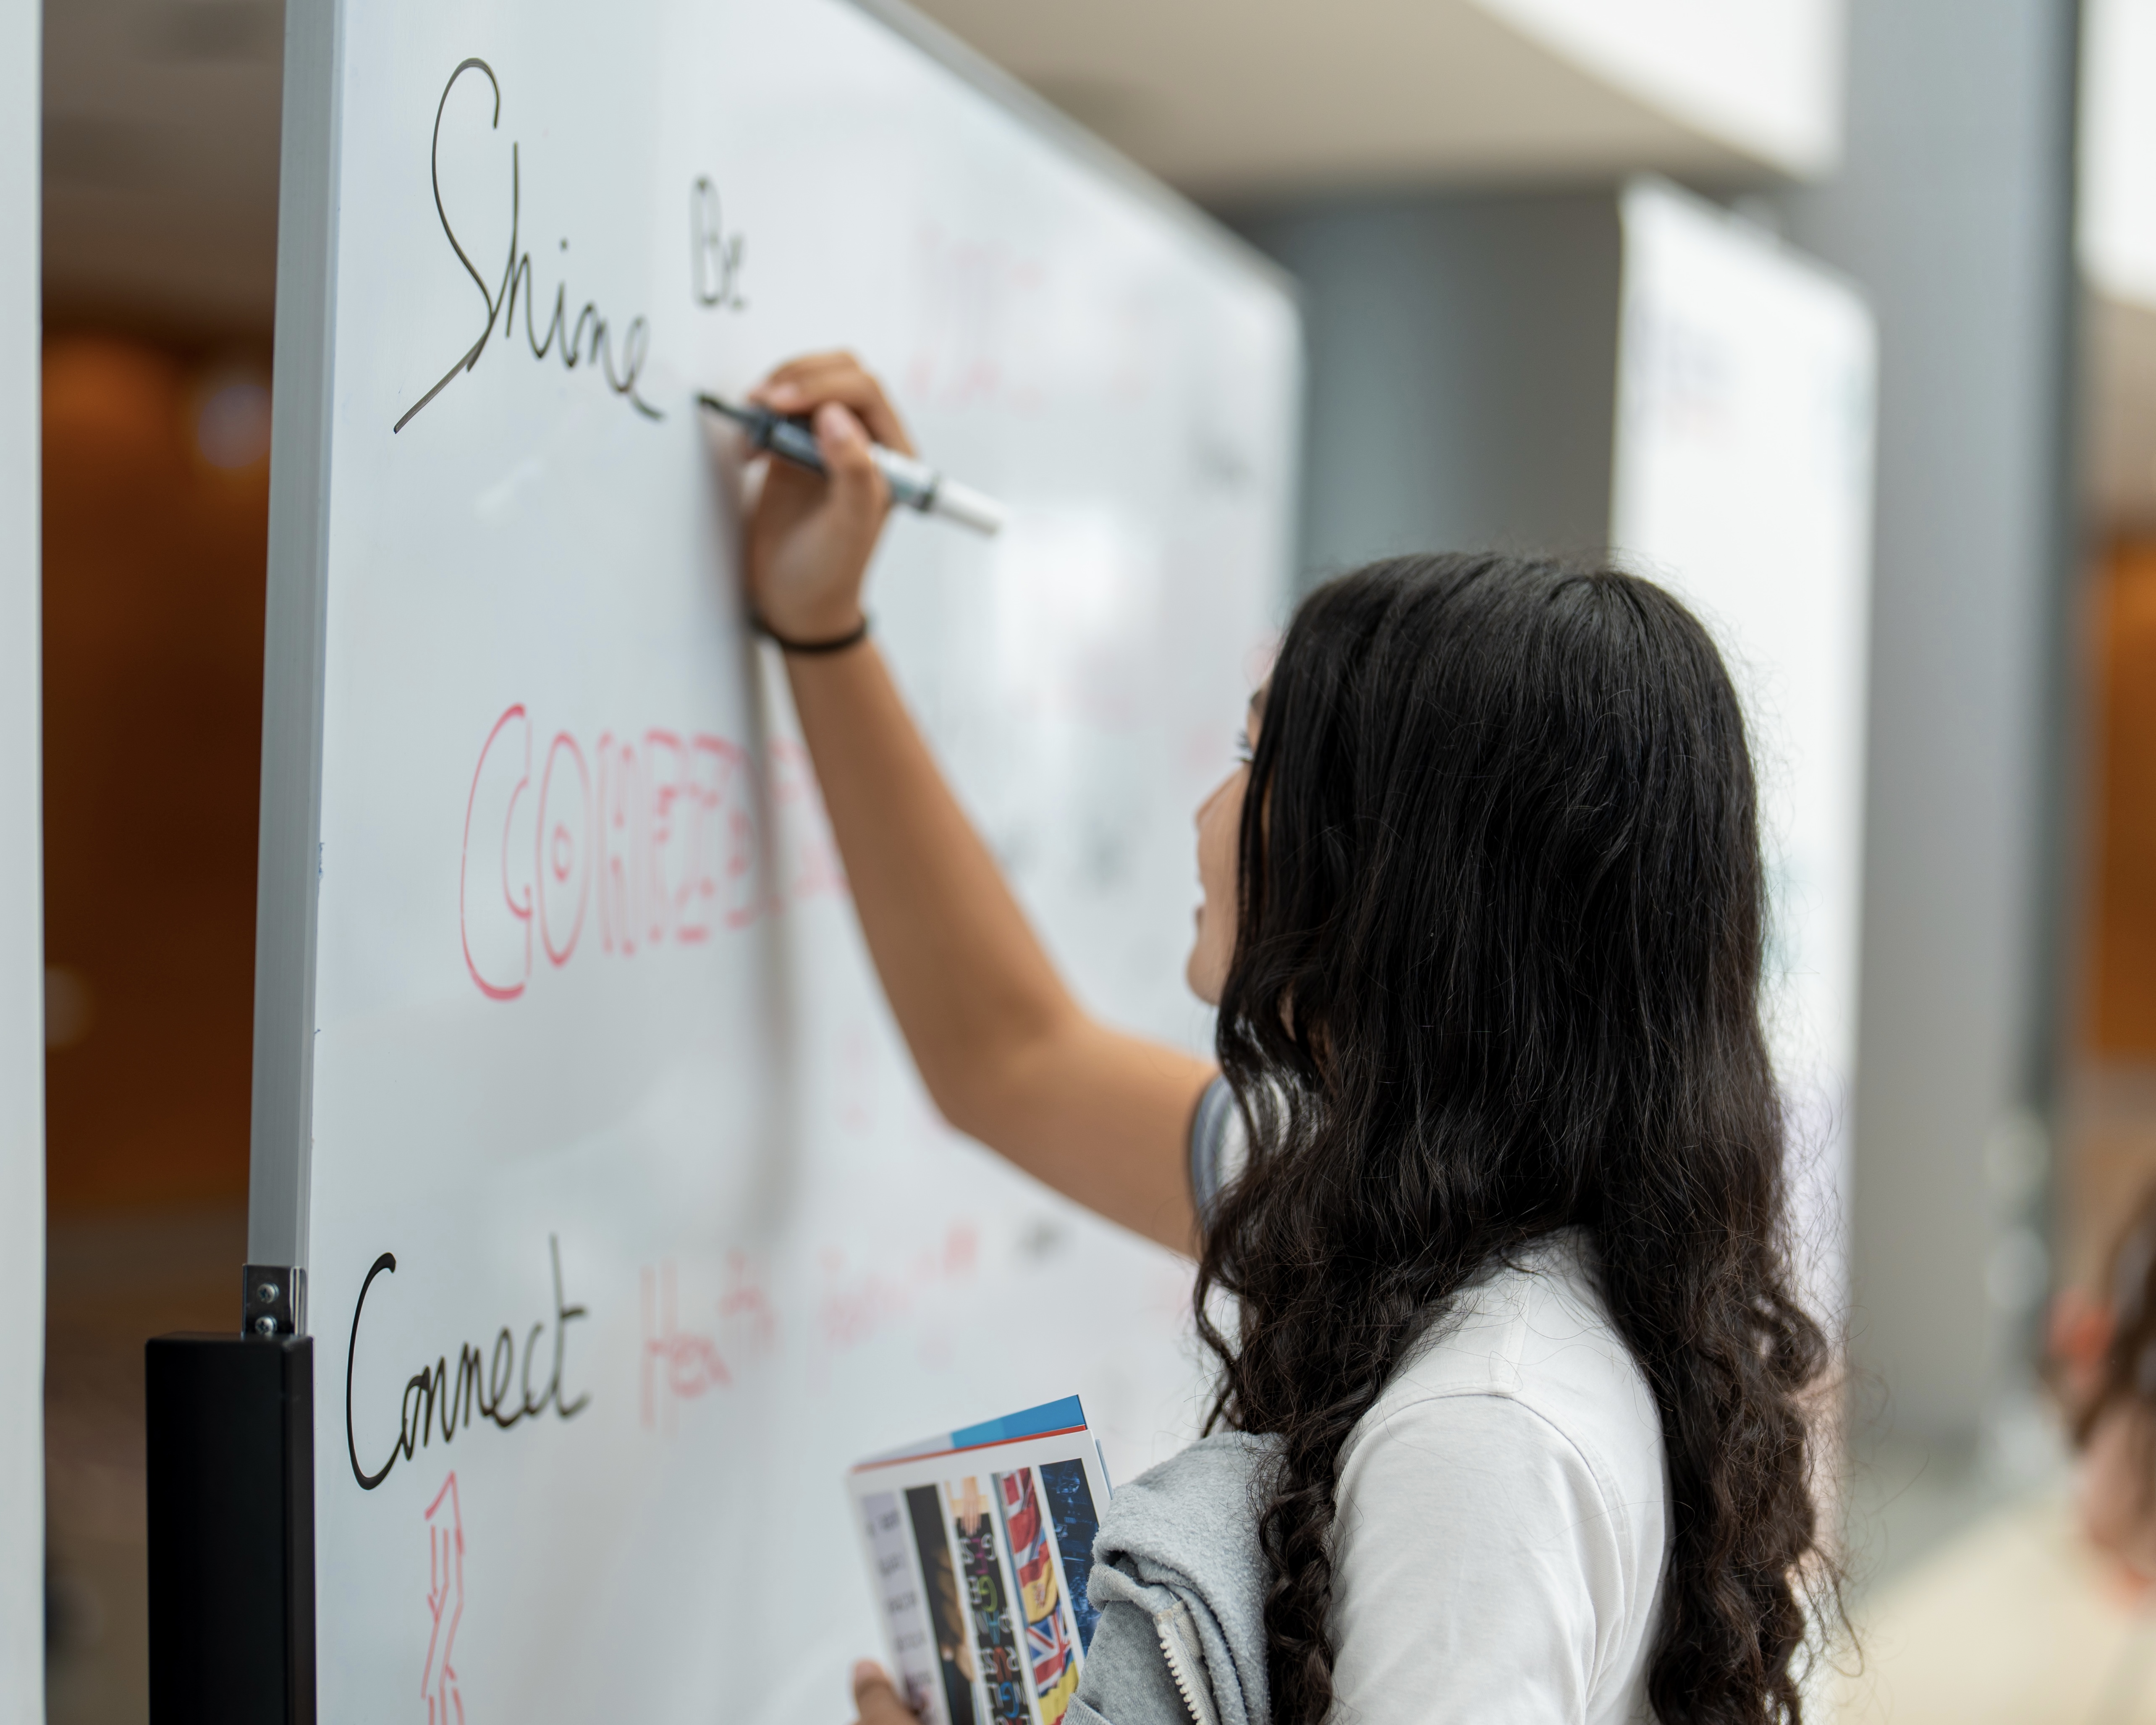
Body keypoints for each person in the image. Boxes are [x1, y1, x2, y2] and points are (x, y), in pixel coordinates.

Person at [736, 352, 1840, 1725]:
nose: (1211, 805)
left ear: (1405, 884)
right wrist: (821, 625)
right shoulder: (1420, 1212)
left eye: (1260, 758)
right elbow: (1008, 1056)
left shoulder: (1481, 1428)